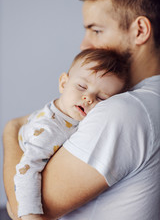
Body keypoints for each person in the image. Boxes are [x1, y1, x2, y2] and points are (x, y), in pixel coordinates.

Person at [3, 0, 160, 220]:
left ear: (139, 30)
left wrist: (10, 130)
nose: (84, 44)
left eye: (96, 30)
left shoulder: (123, 111)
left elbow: (18, 208)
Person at [9, 48, 129, 220]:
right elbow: (25, 170)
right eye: (82, 87)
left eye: (102, 98)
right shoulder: (48, 130)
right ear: (63, 83)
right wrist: (31, 216)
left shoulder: (75, 116)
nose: (88, 98)